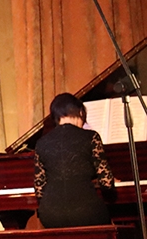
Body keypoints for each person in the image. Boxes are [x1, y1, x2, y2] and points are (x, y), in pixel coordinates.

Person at [35, 93, 115, 229]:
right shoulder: (91, 137)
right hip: (87, 212)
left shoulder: (41, 143)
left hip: (50, 216)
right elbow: (107, 184)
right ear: (81, 113)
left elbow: (39, 190)